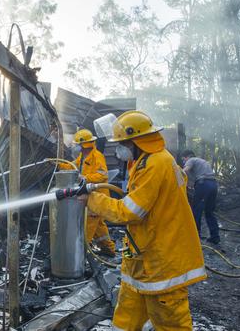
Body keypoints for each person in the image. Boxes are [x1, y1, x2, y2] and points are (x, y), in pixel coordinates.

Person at [78, 111, 206, 330]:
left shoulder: (155, 164)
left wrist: (91, 199)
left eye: (122, 144)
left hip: (161, 261)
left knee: (169, 321)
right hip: (138, 256)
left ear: (136, 141)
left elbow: (129, 212)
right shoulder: (145, 160)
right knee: (126, 316)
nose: (119, 150)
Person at [57, 128, 116, 257]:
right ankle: (109, 249)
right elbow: (72, 166)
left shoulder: (97, 156)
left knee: (87, 226)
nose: (75, 147)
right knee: (99, 226)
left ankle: (81, 253)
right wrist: (58, 164)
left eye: (77, 144)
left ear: (84, 144)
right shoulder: (82, 156)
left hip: (98, 197)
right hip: (90, 195)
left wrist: (85, 177)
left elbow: (102, 175)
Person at [182, 149, 220, 244]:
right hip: (213, 185)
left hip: (203, 184)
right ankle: (215, 237)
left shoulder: (191, 160)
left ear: (187, 157)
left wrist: (175, 177)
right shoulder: (202, 162)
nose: (183, 162)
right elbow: (191, 182)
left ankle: (195, 237)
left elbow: (185, 171)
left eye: (183, 159)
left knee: (196, 211)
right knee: (209, 212)